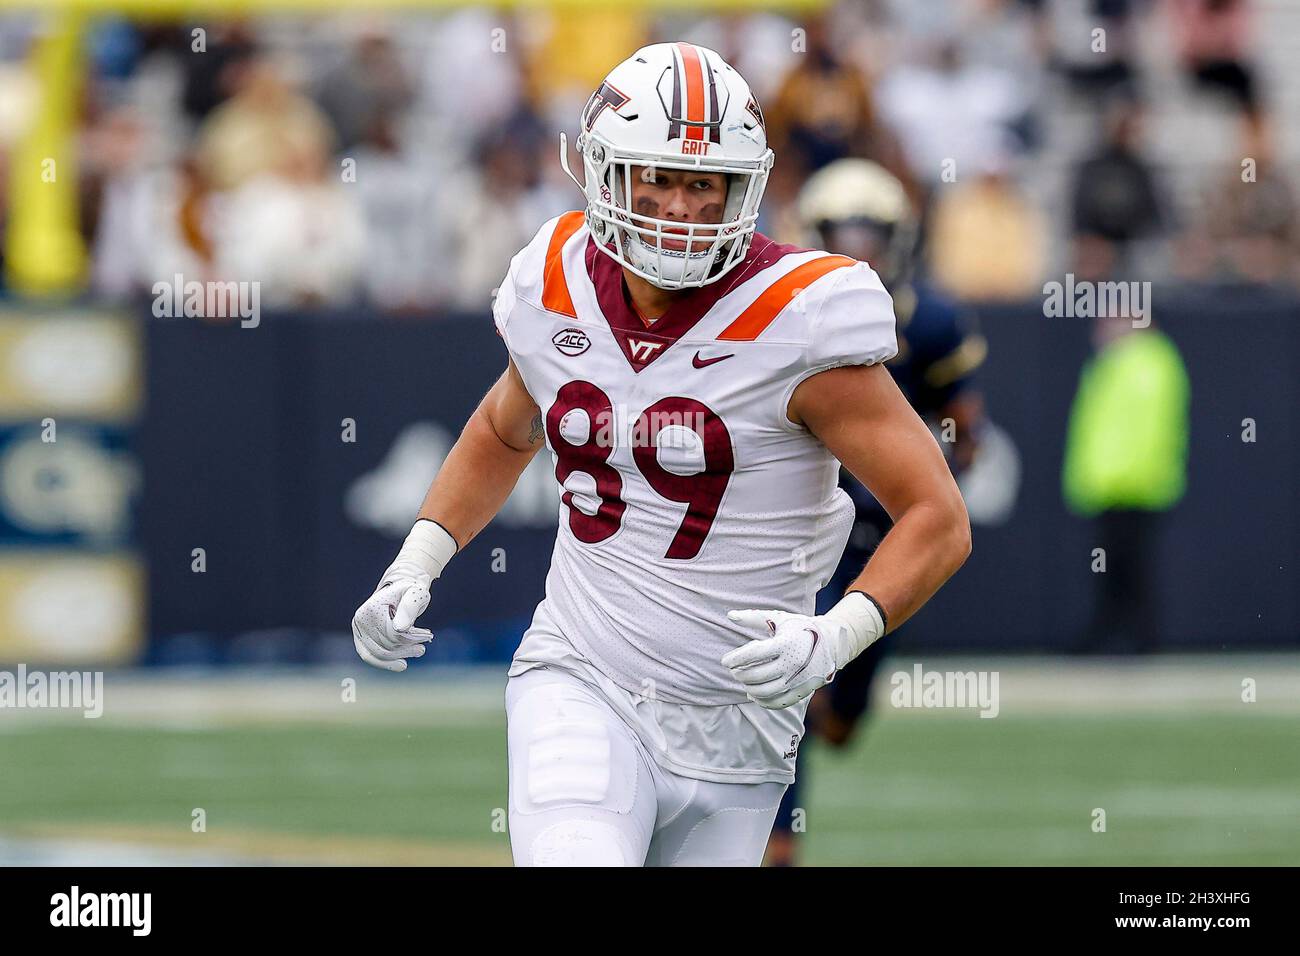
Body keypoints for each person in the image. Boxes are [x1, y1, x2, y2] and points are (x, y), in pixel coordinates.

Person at [351, 43, 970, 867]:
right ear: (607, 174)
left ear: (741, 190)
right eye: (658, 177)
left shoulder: (801, 316)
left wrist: (835, 636)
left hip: (742, 724)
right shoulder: (555, 276)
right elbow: (505, 429)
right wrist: (415, 564)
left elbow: (938, 517)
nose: (679, 206)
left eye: (703, 184)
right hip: (585, 675)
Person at [767, 159, 987, 866]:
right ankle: (776, 836)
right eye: (844, 231)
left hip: (884, 531)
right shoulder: (780, 316)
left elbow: (964, 426)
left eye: (872, 232)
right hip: (804, 527)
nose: (860, 248)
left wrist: (925, 480)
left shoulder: (930, 320)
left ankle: (829, 711)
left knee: (841, 719)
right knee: (792, 677)